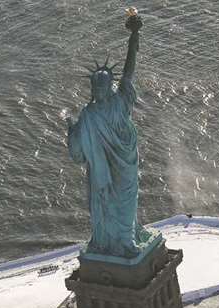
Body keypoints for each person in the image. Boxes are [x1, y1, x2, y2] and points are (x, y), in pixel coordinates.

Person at [65, 9, 145, 257]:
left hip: (125, 163)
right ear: (92, 87)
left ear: (109, 85)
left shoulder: (119, 102)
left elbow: (129, 69)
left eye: (103, 84)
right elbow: (77, 153)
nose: (99, 88)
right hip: (104, 171)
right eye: (96, 85)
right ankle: (117, 241)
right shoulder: (88, 116)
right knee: (107, 202)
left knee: (126, 201)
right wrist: (72, 133)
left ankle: (127, 237)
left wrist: (134, 37)